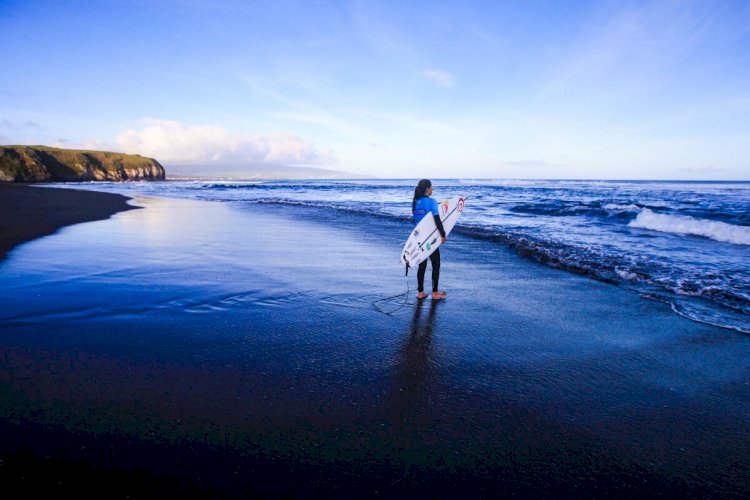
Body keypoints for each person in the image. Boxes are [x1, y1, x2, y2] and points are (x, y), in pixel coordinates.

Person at [412, 179, 447, 300]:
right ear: (427, 188)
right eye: (432, 187)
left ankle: (420, 292)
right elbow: (437, 220)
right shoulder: (432, 202)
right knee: (436, 263)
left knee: (422, 265)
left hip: (419, 238)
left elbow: (417, 222)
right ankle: (435, 293)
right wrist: (442, 234)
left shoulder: (415, 202)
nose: (433, 189)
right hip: (429, 239)